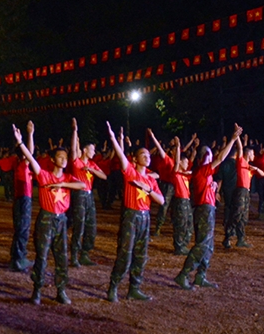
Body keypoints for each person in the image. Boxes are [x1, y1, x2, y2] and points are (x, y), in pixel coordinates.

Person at [14, 125, 85, 305]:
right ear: (53, 160)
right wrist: (21, 142)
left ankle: (61, 290)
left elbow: (82, 185)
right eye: (60, 157)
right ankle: (37, 289)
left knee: (62, 257)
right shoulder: (44, 176)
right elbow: (31, 159)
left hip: (61, 220)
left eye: (65, 157)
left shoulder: (68, 178)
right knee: (42, 255)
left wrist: (62, 185)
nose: (64, 160)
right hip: (46, 218)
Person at [175, 125, 242, 290]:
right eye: (210, 155)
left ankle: (200, 276)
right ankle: (183, 274)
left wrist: (213, 187)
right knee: (202, 244)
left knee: (208, 246)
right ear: (205, 157)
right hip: (204, 210)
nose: (213, 158)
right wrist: (233, 140)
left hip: (207, 209)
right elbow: (221, 158)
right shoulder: (202, 170)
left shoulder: (206, 174)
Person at [105, 122, 165, 303]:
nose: (147, 157)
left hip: (145, 218)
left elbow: (161, 200)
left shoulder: (150, 180)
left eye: (148, 155)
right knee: (125, 254)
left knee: (141, 255)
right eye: (143, 155)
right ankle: (113, 286)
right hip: (131, 216)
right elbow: (121, 157)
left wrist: (147, 189)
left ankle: (134, 288)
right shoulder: (130, 172)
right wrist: (114, 139)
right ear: (135, 159)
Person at [68, 118, 107, 267]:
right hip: (79, 195)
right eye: (92, 149)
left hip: (89, 196)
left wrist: (91, 169)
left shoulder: (92, 164)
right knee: (79, 226)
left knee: (91, 226)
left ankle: (85, 254)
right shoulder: (77, 162)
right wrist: (75, 131)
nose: (94, 152)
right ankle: (74, 256)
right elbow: (73, 149)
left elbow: (104, 176)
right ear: (85, 150)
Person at [223, 137, 264, 248]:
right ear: (248, 154)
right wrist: (237, 137)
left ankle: (240, 239)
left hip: (246, 192)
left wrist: (255, 168)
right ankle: (228, 236)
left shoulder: (249, 167)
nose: (254, 156)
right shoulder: (241, 162)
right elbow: (240, 148)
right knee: (236, 214)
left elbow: (263, 174)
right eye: (252, 154)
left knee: (244, 217)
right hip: (240, 191)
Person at [9, 121, 35, 272]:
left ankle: (16, 258)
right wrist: (30, 134)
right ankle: (19, 259)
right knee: (23, 229)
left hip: (19, 199)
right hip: (24, 199)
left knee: (20, 229)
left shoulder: (17, 163)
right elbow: (29, 152)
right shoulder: (23, 163)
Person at [168, 137, 194, 255]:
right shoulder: (176, 174)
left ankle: (184, 244)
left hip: (187, 201)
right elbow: (177, 162)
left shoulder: (185, 175)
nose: (187, 164)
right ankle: (178, 246)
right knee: (181, 224)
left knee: (189, 224)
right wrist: (178, 148)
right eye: (186, 162)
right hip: (180, 201)